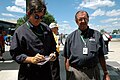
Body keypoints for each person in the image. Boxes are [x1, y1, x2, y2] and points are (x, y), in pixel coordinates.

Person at [10, 0, 58, 80]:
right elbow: (15, 54)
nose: (38, 19)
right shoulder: (20, 31)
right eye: (36, 16)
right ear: (29, 14)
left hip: (46, 73)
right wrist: (31, 59)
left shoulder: (46, 29)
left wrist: (53, 54)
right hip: (28, 73)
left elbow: (53, 47)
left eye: (41, 17)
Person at [63, 10, 110, 80]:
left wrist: (106, 73)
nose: (83, 21)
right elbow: (67, 58)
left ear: (88, 19)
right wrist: (68, 74)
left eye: (85, 18)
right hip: (76, 73)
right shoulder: (70, 37)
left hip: (93, 72)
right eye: (80, 19)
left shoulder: (97, 35)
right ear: (76, 21)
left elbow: (101, 56)